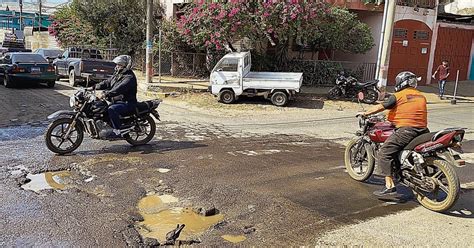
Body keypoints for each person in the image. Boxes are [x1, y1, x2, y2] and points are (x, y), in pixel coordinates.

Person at [360, 71, 429, 197]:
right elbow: (406, 110)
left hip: (406, 131)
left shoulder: (398, 96)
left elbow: (381, 107)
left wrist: (365, 113)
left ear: (401, 82)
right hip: (423, 130)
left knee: (384, 153)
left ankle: (389, 186)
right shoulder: (421, 96)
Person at [94, 55, 137, 138]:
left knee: (112, 109)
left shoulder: (129, 77)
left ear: (126, 66)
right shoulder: (118, 74)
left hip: (127, 103)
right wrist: (95, 86)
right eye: (117, 65)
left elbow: (119, 89)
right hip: (118, 101)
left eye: (119, 65)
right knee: (101, 107)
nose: (117, 67)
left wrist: (106, 94)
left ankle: (117, 131)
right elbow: (107, 82)